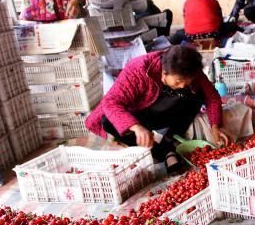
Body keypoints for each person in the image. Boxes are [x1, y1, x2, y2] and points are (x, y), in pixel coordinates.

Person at [85, 45, 229, 174]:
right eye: (178, 81)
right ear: (164, 72)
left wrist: (215, 126)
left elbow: (212, 97)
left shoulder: (190, 70)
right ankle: (164, 150)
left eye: (186, 82)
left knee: (196, 94)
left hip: (171, 111)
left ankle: (170, 136)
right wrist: (136, 127)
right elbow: (111, 103)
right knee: (108, 121)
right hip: (143, 113)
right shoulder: (139, 69)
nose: (182, 85)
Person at [169, 0, 234, 44]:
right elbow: (220, 20)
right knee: (231, 25)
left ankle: (167, 43)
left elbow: (186, 21)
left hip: (192, 37)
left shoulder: (187, 2)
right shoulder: (213, 1)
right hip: (213, 34)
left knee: (178, 33)